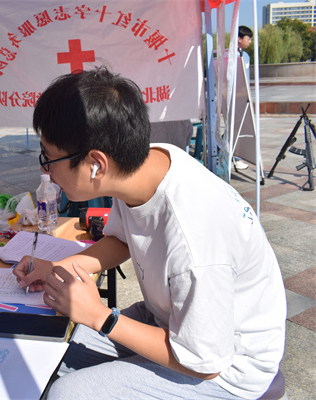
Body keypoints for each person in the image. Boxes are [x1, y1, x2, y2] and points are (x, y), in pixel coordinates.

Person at [14, 67, 286, 400]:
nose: (45, 169)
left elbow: (204, 361)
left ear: (96, 164)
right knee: (54, 351)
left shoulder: (195, 237)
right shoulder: (144, 165)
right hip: (169, 318)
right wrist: (59, 268)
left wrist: (100, 316)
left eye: (49, 158)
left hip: (228, 365)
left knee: (67, 394)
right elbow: (121, 240)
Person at [233, 25, 253, 170]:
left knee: (239, 127)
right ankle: (235, 157)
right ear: (239, 39)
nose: (249, 41)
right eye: (248, 38)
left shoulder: (245, 56)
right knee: (234, 127)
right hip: (233, 97)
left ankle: (235, 156)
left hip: (243, 97)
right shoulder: (230, 55)